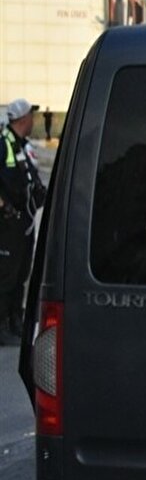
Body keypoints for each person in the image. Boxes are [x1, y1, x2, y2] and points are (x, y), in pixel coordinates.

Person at [0, 99, 47, 345]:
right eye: (31, 115)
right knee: (6, 276)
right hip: (7, 223)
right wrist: (4, 207)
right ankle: (2, 325)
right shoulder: (3, 144)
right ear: (22, 119)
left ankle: (15, 320)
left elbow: (30, 179)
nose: (34, 120)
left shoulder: (22, 146)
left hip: (24, 223)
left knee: (21, 274)